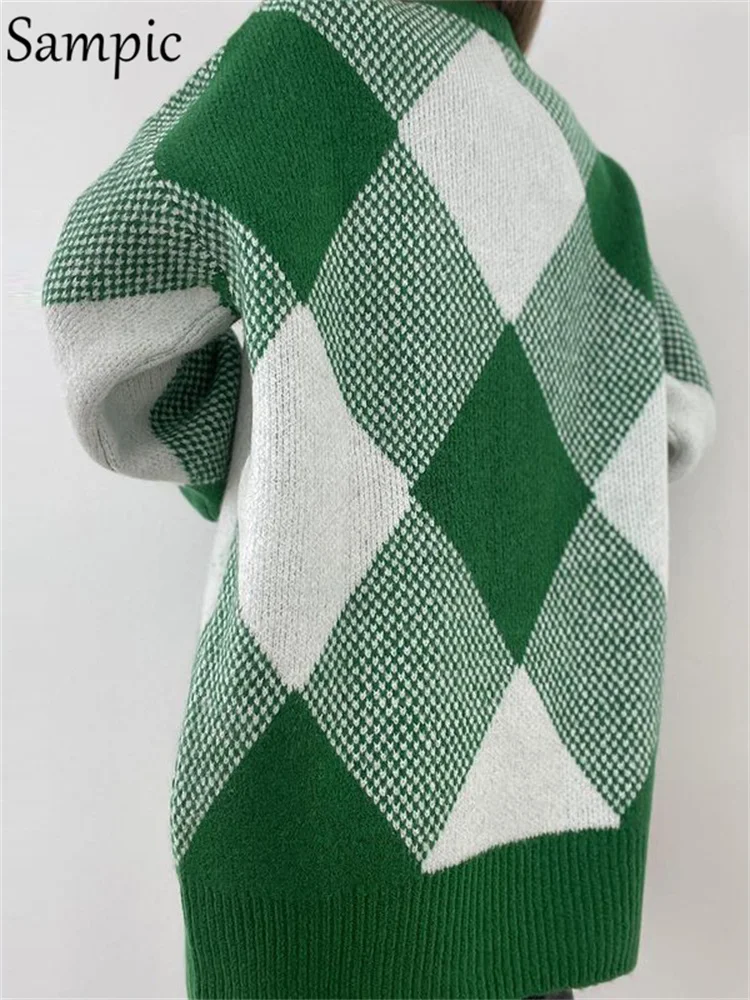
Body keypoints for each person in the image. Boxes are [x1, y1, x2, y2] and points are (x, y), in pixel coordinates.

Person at [41, 1, 716, 998]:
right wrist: (532, 482)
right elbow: (679, 409)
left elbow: (97, 295)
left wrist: (247, 449)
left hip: (320, 862)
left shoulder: (299, 56)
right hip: (542, 851)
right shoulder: (584, 165)